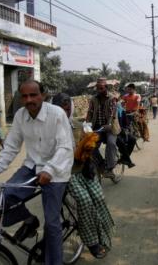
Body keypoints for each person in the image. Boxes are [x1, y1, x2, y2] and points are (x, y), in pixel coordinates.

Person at [0, 80, 74, 265]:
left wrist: (49, 170)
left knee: (52, 223)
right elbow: (11, 146)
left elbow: (65, 147)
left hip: (57, 168)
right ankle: (29, 220)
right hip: (32, 166)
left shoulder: (56, 114)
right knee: (5, 196)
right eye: (24, 96)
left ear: (43, 95)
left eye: (33, 95)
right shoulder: (20, 116)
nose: (29, 99)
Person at [52, 93, 115, 259]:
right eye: (60, 108)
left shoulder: (77, 126)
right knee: (85, 201)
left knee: (99, 198)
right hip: (66, 174)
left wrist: (87, 157)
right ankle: (92, 242)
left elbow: (88, 147)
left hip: (82, 170)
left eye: (67, 108)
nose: (64, 112)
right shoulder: (50, 127)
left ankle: (104, 234)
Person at [86, 78, 120, 177]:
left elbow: (112, 113)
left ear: (106, 87)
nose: (99, 90)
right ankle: (101, 164)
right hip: (97, 127)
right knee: (90, 145)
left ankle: (110, 168)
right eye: (97, 88)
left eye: (101, 88)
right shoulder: (93, 99)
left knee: (111, 143)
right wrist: (86, 123)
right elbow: (90, 112)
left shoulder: (111, 98)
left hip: (110, 127)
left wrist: (109, 124)